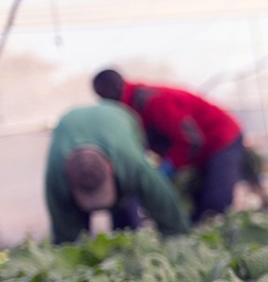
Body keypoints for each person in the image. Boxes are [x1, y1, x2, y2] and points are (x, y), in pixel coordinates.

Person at [91, 69, 245, 223]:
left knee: (216, 202)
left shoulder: (153, 101)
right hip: (199, 149)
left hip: (222, 138)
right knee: (196, 203)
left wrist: (170, 166)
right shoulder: (131, 108)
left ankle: (224, 237)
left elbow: (191, 140)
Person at [45, 104, 190, 244]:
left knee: (125, 217)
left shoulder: (132, 163)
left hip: (119, 115)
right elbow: (64, 238)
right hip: (69, 123)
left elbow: (169, 213)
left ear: (111, 167)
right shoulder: (55, 178)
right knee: (76, 229)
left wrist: (177, 241)